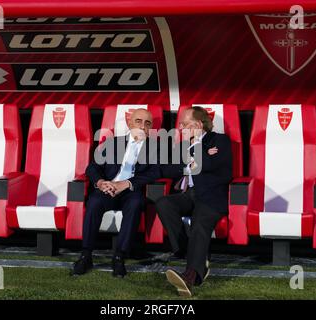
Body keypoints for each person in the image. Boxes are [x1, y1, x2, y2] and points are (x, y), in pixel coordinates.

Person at [73, 108, 160, 278]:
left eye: (147, 123)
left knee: (135, 204)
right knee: (94, 202)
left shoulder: (157, 148)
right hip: (108, 188)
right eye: (138, 121)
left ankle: (119, 256)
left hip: (131, 191)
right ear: (129, 123)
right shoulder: (114, 143)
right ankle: (86, 255)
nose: (142, 126)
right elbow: (92, 167)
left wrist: (126, 183)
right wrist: (101, 182)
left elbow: (155, 173)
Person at [156, 106, 232, 297]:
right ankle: (186, 250)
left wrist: (198, 154)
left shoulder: (220, 140)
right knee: (164, 203)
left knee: (200, 223)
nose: (180, 127)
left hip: (211, 196)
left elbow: (216, 167)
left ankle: (191, 276)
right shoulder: (184, 145)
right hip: (188, 194)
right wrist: (195, 161)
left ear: (198, 124)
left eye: (184, 123)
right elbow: (168, 169)